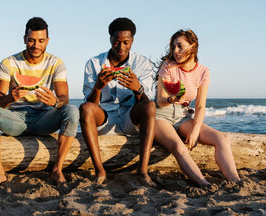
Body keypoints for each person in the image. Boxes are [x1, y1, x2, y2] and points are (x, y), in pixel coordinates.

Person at [0, 17, 79, 185]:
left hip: (44, 119)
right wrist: (10, 97)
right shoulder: (9, 63)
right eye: (32, 40)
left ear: (47, 41)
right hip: (15, 120)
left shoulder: (56, 63)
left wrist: (55, 102)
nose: (36, 45)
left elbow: (64, 99)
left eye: (41, 41)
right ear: (24, 39)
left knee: (72, 111)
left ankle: (57, 169)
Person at [154, 29, 240, 186]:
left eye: (179, 46)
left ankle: (235, 181)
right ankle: (204, 184)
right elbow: (160, 101)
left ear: (192, 45)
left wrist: (195, 131)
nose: (175, 51)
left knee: (222, 138)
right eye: (173, 47)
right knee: (179, 147)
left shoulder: (203, 71)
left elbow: (200, 106)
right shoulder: (168, 66)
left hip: (183, 116)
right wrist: (173, 99)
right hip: (161, 115)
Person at [80, 17, 157, 186]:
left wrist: (139, 89)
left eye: (126, 42)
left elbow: (145, 105)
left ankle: (142, 172)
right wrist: (98, 87)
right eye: (116, 42)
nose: (121, 47)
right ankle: (100, 171)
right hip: (104, 118)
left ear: (132, 41)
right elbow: (91, 105)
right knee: (85, 108)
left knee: (150, 106)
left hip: (129, 119)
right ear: (110, 39)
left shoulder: (143, 64)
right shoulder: (93, 64)